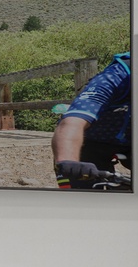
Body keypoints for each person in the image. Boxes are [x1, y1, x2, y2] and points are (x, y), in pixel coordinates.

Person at [51, 52, 132, 189]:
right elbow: (73, 122)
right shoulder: (115, 76)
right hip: (91, 141)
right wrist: (67, 161)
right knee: (82, 192)